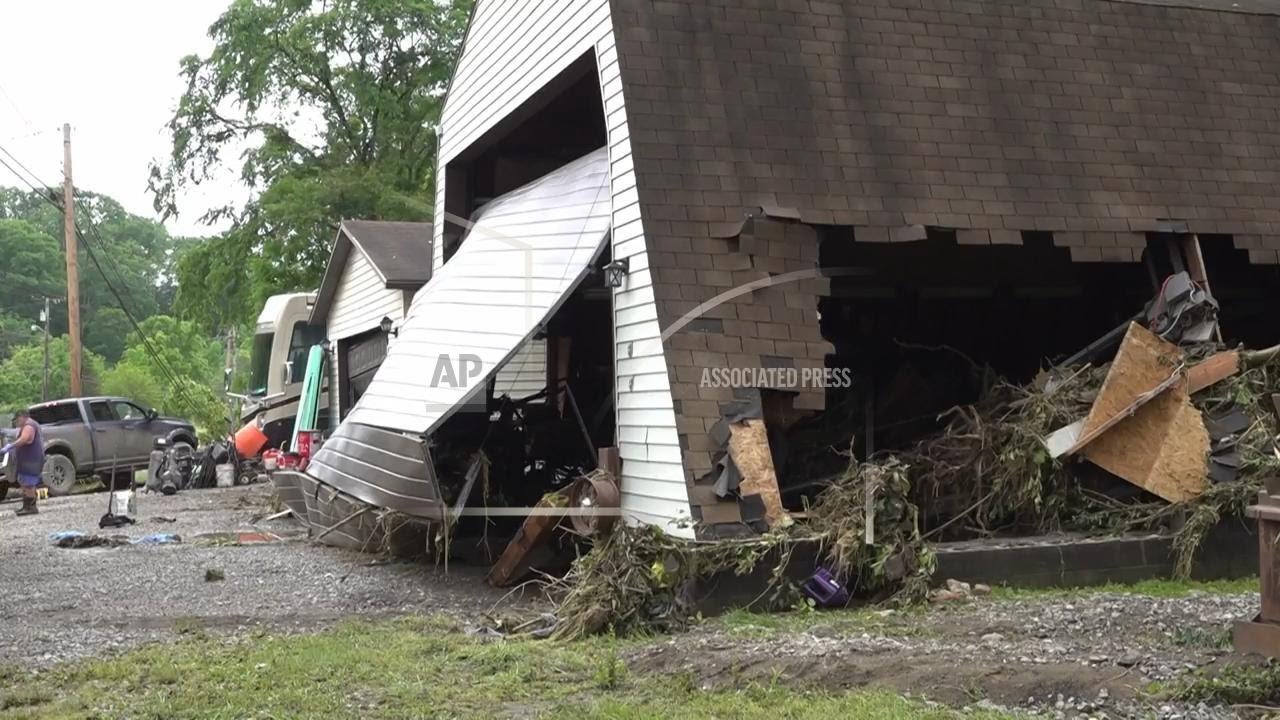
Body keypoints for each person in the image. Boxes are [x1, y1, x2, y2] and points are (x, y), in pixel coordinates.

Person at [2, 409, 45, 516]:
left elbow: (24, 439)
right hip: (29, 459)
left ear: (21, 417)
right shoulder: (29, 424)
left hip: (31, 460)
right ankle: (26, 506)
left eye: (17, 420)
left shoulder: (29, 426)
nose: (17, 423)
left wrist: (11, 446)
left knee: (28, 483)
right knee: (25, 482)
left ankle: (30, 507)